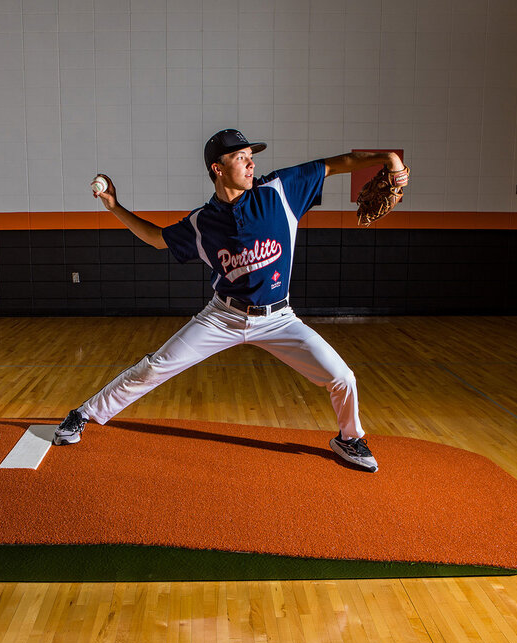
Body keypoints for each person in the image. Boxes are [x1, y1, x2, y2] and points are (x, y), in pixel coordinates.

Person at [54, 129, 408, 472]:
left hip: (278, 318)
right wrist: (114, 207)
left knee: (342, 377)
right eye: (241, 158)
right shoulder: (202, 222)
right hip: (222, 316)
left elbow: (337, 163)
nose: (250, 164)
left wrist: (388, 157)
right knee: (154, 366)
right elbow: (157, 238)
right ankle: (84, 414)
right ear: (218, 169)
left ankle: (350, 438)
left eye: (251, 157)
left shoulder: (281, 191)